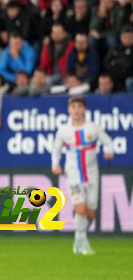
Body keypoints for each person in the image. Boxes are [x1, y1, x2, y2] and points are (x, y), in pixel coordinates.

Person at [52, 96, 113, 255]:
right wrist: (55, 164)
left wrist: (109, 151)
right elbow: (56, 148)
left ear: (84, 110)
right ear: (69, 110)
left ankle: (79, 239)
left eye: (79, 107)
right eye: (73, 107)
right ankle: (81, 242)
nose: (77, 110)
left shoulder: (93, 128)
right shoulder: (64, 130)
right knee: (80, 208)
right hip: (73, 172)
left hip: (92, 172)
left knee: (90, 212)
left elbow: (107, 141)